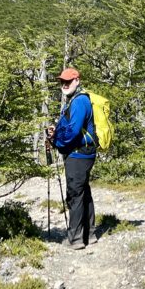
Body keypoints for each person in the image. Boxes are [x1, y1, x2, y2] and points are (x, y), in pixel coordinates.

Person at [47, 67, 97, 249]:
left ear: (77, 80)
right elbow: (70, 127)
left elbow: (73, 132)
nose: (64, 85)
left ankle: (75, 239)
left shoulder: (78, 102)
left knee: (75, 194)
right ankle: (89, 234)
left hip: (78, 154)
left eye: (68, 81)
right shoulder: (75, 100)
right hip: (83, 153)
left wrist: (57, 143)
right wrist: (56, 132)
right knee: (84, 193)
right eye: (62, 81)